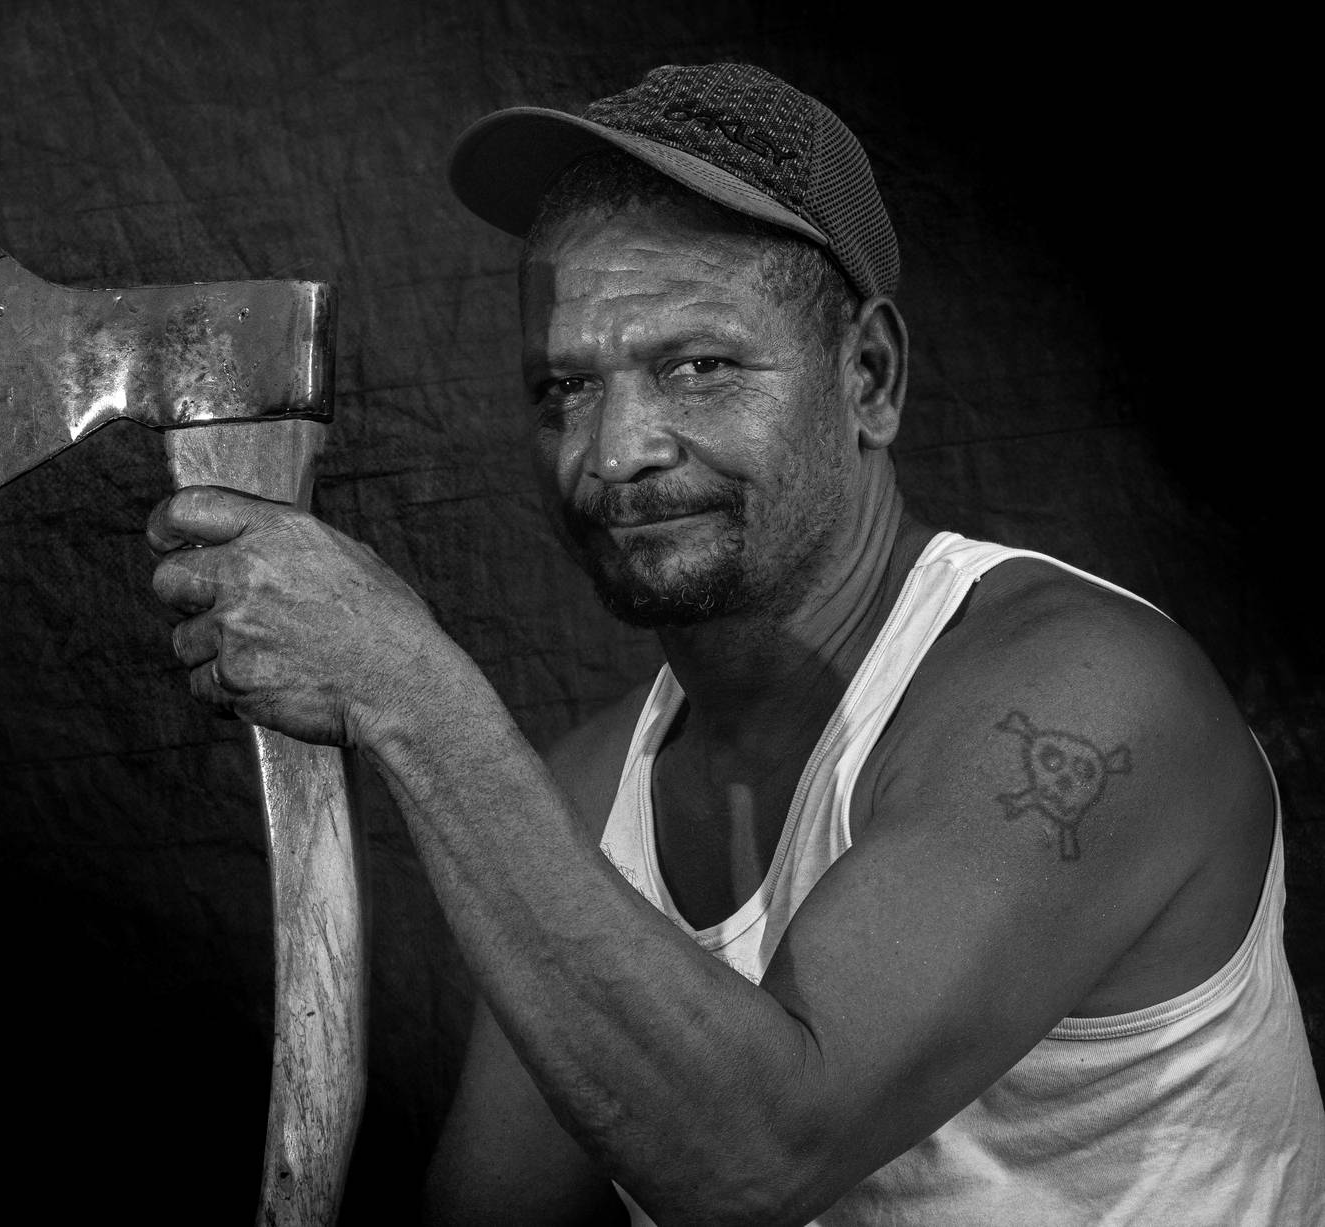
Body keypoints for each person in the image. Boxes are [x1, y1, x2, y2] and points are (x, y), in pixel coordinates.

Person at [147, 63, 1324, 1225]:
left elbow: (756, 1161)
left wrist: (406, 691)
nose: (617, 451)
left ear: (869, 379)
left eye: (698, 367)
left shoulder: (1089, 695)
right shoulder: (589, 801)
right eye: (565, 386)